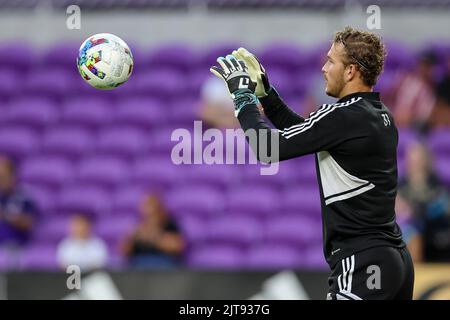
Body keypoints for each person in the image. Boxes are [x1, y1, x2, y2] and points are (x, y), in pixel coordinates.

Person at [210, 26, 414, 300]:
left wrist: (243, 98)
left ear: (351, 70)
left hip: (364, 263)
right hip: (393, 259)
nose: (323, 68)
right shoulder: (377, 113)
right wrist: (267, 96)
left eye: (331, 61)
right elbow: (307, 133)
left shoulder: (343, 116)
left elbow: (269, 148)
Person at [120, 194, 185, 269]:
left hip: (164, 265)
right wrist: (131, 237)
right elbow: (124, 251)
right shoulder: (139, 227)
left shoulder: (170, 225)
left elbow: (178, 246)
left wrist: (153, 237)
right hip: (140, 266)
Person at [0, 156, 37, 246]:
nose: (1, 180)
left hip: (15, 246)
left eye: (3, 176)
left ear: (12, 176)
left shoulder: (23, 197)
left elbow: (29, 222)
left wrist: (6, 216)